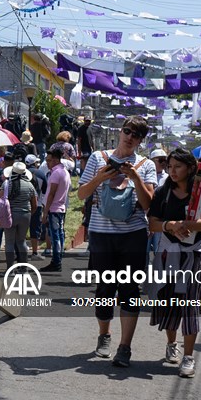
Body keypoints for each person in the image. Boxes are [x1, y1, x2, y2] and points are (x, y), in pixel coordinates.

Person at [77, 117, 156, 366]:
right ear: (120, 132)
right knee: (104, 290)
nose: (129, 137)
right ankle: (104, 336)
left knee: (130, 292)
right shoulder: (98, 158)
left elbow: (148, 205)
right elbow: (81, 194)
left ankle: (125, 347)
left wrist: (135, 178)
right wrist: (99, 178)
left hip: (133, 236)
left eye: (136, 134)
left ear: (141, 140)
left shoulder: (146, 165)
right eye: (127, 131)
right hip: (102, 235)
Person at [146, 149, 201, 379]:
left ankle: (188, 357)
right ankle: (172, 343)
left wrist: (188, 224)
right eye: (170, 166)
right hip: (169, 253)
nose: (173, 171)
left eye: (178, 166)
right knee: (169, 300)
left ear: (190, 168)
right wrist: (170, 225)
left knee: (190, 303)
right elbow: (153, 223)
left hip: (195, 255)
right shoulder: (163, 192)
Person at [2, 161, 37, 269]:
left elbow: (0, 200)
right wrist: (29, 213)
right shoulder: (30, 185)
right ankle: (24, 268)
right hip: (25, 215)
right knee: (21, 241)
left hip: (9, 215)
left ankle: (10, 269)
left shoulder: (7, 184)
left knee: (9, 242)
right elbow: (34, 204)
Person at [42, 149, 73, 272]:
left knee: (55, 235)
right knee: (59, 234)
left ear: (55, 160)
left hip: (54, 208)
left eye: (49, 161)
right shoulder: (64, 172)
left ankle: (56, 261)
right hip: (61, 207)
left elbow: (51, 194)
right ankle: (57, 259)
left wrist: (45, 212)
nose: (47, 163)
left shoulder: (55, 173)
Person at [24, 155, 48, 259]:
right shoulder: (41, 174)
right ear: (35, 163)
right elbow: (45, 190)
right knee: (35, 228)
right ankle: (34, 252)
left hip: (23, 204)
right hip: (37, 204)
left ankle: (20, 252)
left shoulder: (21, 173)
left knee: (21, 229)